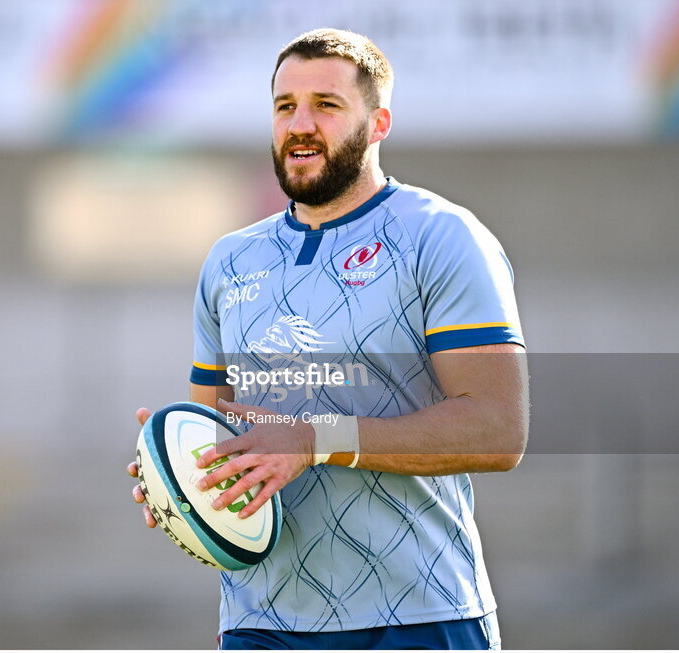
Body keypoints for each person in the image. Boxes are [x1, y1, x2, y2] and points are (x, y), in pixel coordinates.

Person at [127, 28, 527, 650]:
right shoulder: (230, 261)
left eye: (327, 105)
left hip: (418, 614)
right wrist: (177, 478)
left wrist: (315, 441)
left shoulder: (441, 237)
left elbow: (499, 430)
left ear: (379, 122)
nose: (301, 124)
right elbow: (217, 426)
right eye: (286, 107)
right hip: (262, 624)